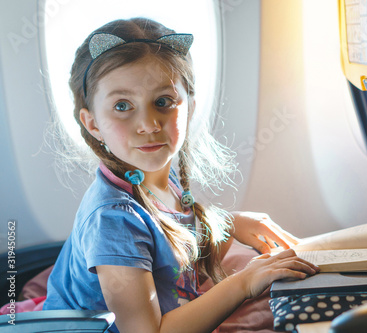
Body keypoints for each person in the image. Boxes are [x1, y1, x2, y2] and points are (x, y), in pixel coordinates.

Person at [43, 17, 319, 333]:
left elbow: (171, 262)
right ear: (92, 124)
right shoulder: (112, 219)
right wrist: (243, 283)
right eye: (122, 106)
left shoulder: (156, 181)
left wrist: (232, 224)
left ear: (189, 108)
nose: (148, 124)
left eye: (163, 102)